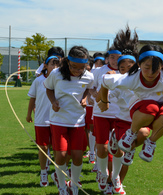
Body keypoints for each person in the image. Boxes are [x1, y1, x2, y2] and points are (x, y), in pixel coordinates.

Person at [99, 44, 163, 164]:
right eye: (147, 67)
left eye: (156, 68)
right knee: (151, 107)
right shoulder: (131, 77)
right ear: (139, 64)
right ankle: (131, 133)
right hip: (141, 108)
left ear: (162, 66)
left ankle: (151, 142)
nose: (151, 73)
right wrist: (104, 102)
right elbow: (105, 81)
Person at [98, 26, 150, 194]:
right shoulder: (116, 80)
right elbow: (103, 90)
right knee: (120, 154)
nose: (126, 71)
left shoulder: (144, 78)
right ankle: (113, 182)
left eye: (130, 67)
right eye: (122, 68)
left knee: (140, 138)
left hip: (139, 121)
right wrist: (102, 101)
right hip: (122, 121)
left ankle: (117, 182)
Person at [44, 46, 94, 195]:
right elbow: (48, 89)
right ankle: (61, 186)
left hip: (78, 121)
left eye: (81, 68)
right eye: (74, 67)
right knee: (61, 155)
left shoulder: (89, 76)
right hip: (59, 120)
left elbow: (88, 88)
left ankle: (73, 185)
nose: (77, 71)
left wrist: (85, 98)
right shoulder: (56, 74)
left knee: (78, 156)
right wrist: (53, 102)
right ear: (67, 62)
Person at [90, 47, 121, 193]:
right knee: (102, 148)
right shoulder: (98, 71)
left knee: (117, 150)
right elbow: (90, 87)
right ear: (107, 58)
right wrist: (95, 94)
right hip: (101, 114)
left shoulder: (127, 72)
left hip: (120, 115)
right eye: (112, 57)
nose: (115, 60)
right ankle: (103, 174)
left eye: (118, 57)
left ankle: (113, 179)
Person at [26, 55, 60, 187]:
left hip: (57, 120)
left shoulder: (61, 81)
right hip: (41, 119)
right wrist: (29, 114)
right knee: (44, 147)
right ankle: (43, 171)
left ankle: (58, 173)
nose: (55, 67)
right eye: (52, 64)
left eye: (58, 65)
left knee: (58, 148)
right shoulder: (38, 81)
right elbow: (32, 98)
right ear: (45, 66)